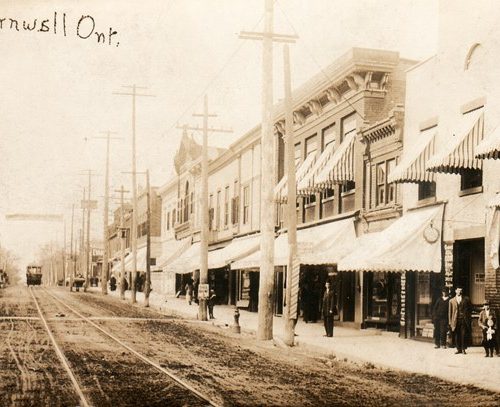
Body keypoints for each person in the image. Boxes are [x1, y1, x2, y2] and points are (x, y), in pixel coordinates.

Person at [448, 286, 472, 354]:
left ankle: (463, 349)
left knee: (463, 334)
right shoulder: (451, 300)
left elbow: (470, 309)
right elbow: (450, 312)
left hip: (464, 320)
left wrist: (467, 316)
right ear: (455, 291)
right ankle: (458, 349)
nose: (459, 292)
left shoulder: (466, 299)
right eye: (458, 290)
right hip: (455, 320)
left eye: (460, 290)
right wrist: (450, 322)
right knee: (457, 335)